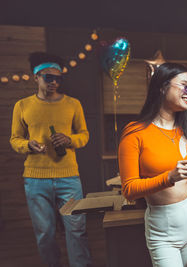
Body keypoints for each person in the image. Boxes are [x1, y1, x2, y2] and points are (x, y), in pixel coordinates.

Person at [9, 52, 91, 267]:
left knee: (76, 230)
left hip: (69, 177)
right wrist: (28, 145)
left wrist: (69, 139)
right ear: (36, 77)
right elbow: (15, 139)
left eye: (59, 78)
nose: (54, 82)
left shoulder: (73, 104)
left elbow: (84, 134)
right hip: (36, 179)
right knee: (45, 233)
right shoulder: (23, 106)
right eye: (49, 77)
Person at [118, 63, 187, 267]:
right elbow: (129, 190)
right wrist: (169, 177)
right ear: (162, 87)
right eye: (184, 86)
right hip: (162, 229)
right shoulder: (135, 133)